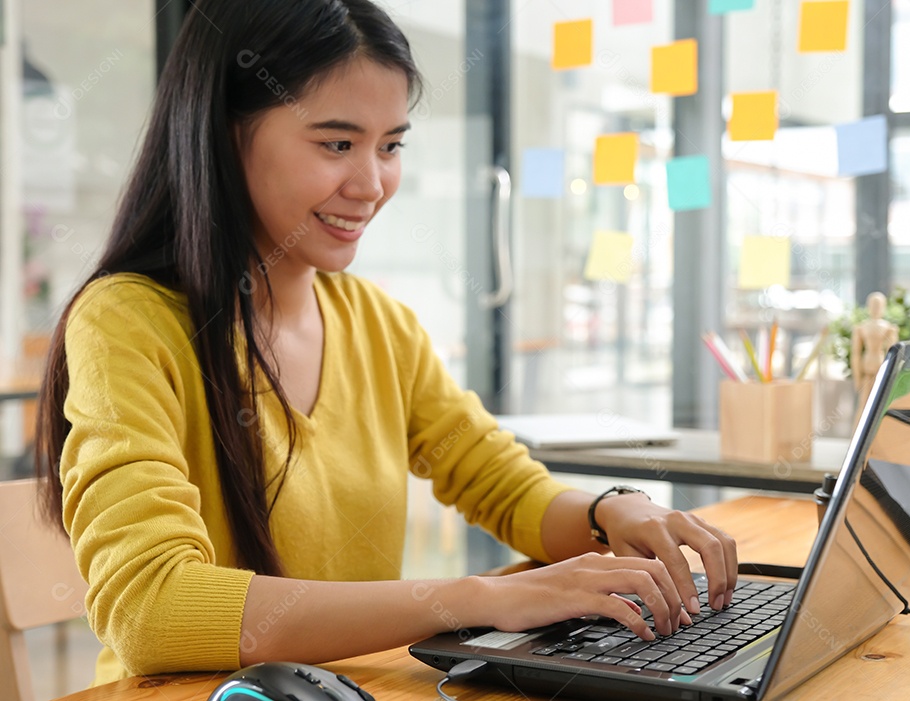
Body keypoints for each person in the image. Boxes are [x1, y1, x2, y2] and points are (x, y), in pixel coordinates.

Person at [33, 0, 737, 685]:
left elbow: (501, 483)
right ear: (223, 134)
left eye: (391, 145)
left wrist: (610, 511)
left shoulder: (377, 322)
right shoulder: (127, 323)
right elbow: (152, 607)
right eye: (337, 144)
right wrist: (480, 598)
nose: (372, 184)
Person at [850, 291, 899, 418]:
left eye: (878, 305)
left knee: (881, 406)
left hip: (881, 369)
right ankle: (859, 430)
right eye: (873, 305)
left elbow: (893, 354)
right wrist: (857, 377)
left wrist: (891, 377)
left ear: (884, 307)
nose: (876, 308)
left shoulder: (889, 328)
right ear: (868, 306)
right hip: (867, 371)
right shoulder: (861, 328)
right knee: (863, 405)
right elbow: (855, 354)